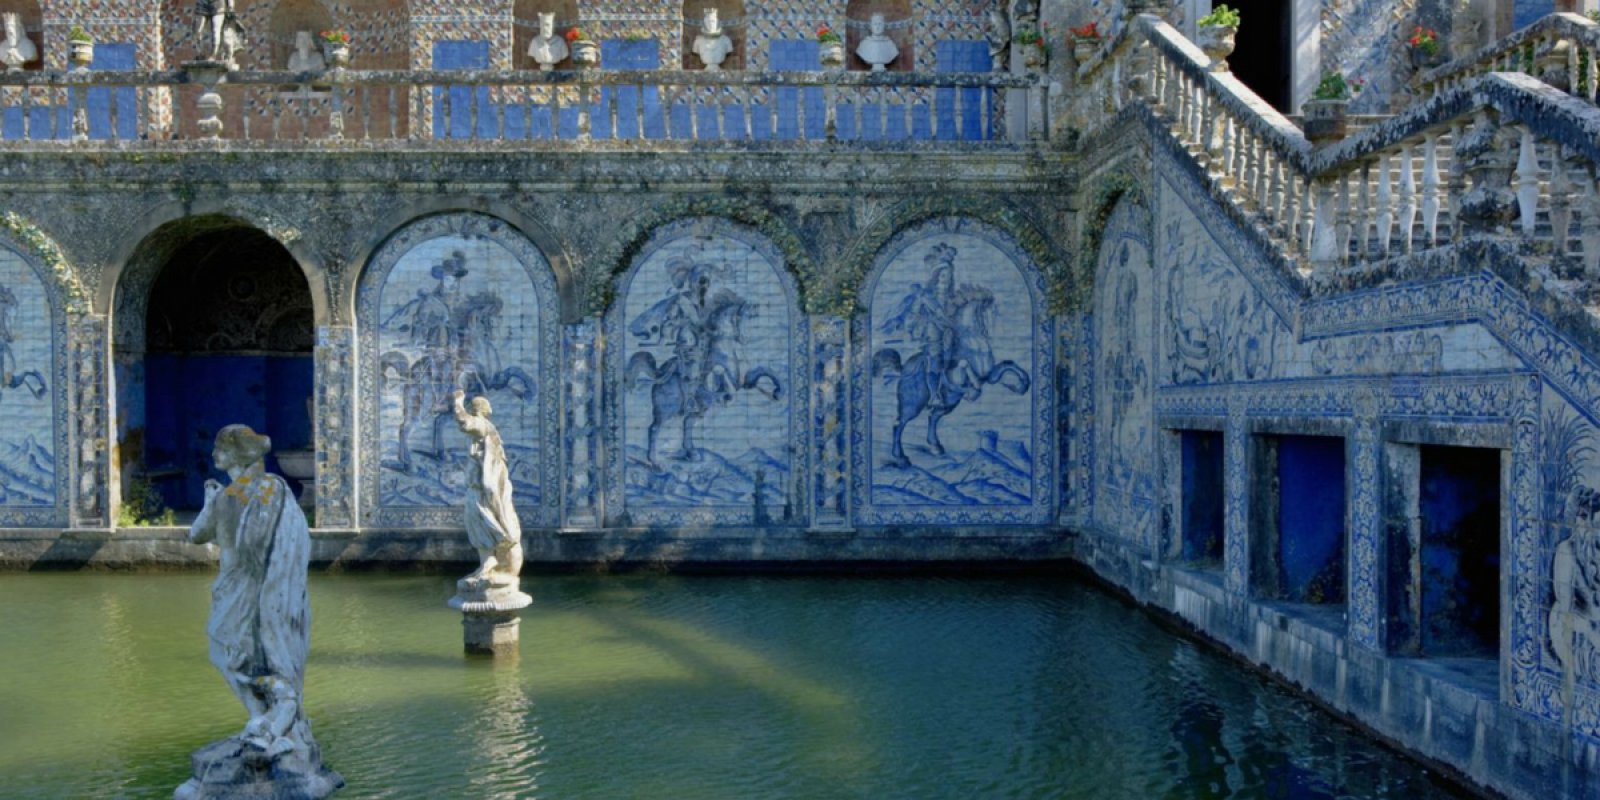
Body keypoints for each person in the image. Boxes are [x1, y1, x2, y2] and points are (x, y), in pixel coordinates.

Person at [187, 424, 316, 762]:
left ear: (235, 454)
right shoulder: (266, 490)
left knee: (235, 655)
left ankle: (270, 719)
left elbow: (197, 535)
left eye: (220, 449)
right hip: (245, 586)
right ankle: (267, 719)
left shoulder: (236, 496)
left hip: (246, 586)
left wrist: (209, 502)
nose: (214, 454)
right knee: (240, 655)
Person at [453, 389, 523, 581]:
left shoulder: (483, 426)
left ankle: (489, 560)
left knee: (479, 521)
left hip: (481, 490)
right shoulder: (486, 429)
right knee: (476, 523)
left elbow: (464, 422)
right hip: (480, 488)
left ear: (476, 410)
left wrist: (458, 402)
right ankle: (487, 561)